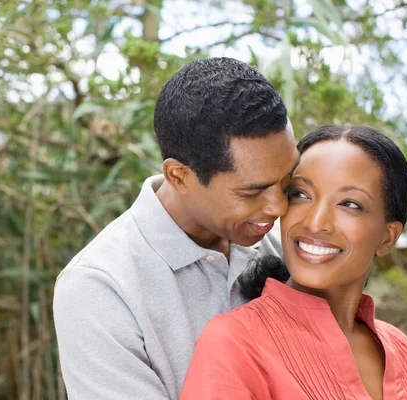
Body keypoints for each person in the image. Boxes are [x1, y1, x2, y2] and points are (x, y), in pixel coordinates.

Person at [53, 57, 299, 399]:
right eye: (252, 192)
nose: (280, 207)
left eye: (288, 181)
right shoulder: (99, 288)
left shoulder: (287, 242)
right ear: (179, 176)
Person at [181, 125, 407, 400]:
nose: (316, 223)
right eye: (300, 194)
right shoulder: (235, 343)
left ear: (387, 238)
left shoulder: (404, 351)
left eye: (350, 204)